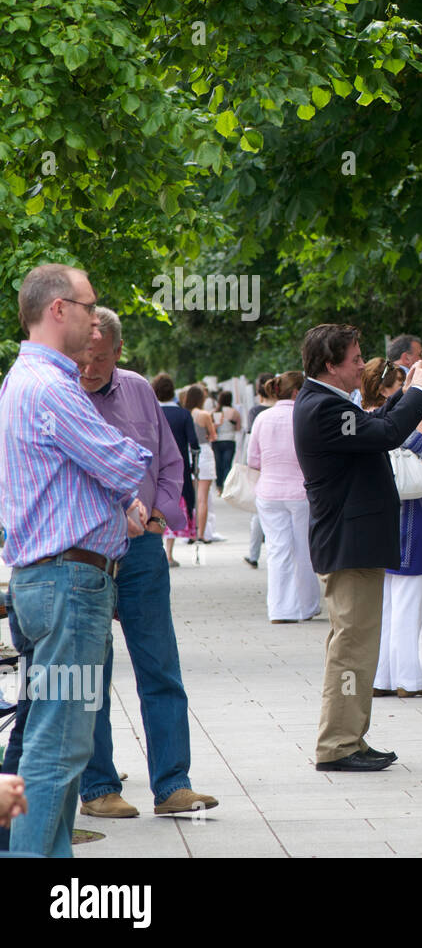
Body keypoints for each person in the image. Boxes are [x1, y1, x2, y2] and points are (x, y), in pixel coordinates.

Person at [0, 263, 151, 857]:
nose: (96, 320)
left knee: (58, 737)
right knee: (58, 741)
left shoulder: (23, 381)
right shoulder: (51, 387)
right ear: (58, 308)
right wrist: (128, 483)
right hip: (70, 585)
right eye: (89, 307)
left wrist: (121, 500)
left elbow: (95, 473)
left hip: (54, 583)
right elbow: (119, 461)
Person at [72, 307, 219, 819]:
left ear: (118, 352)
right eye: (83, 359)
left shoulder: (136, 390)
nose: (90, 370)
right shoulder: (59, 391)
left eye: (100, 360)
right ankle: (98, 789)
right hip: (83, 550)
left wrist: (160, 515)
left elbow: (170, 459)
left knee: (160, 664)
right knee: (92, 671)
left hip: (141, 550)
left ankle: (173, 784)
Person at [292, 324, 422, 772]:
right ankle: (338, 745)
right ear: (331, 365)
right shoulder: (323, 408)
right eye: (355, 358)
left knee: (358, 645)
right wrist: (420, 392)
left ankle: (351, 737)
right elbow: (388, 433)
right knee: (352, 648)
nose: (362, 364)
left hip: (355, 542)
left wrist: (405, 391)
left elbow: (377, 424)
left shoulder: (330, 402)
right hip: (348, 544)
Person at [362, 359, 422, 698]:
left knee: (385, 605)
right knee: (410, 603)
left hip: (377, 517)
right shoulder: (399, 424)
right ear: (391, 389)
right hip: (411, 515)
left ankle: (382, 677)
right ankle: (410, 678)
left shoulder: (358, 418)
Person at [247, 371, 320, 624]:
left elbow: (252, 460)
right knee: (304, 549)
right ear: (298, 392)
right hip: (300, 492)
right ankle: (307, 605)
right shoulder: (306, 418)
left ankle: (280, 609)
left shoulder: (262, 418)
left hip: (268, 492)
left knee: (278, 551)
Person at [155, 374, 199, 565]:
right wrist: (193, 468)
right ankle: (170, 553)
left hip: (154, 469)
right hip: (178, 470)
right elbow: (194, 444)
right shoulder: (183, 414)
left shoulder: (150, 412)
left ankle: (156, 548)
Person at [244, 372, 276, 568]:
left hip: (264, 467)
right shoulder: (292, 410)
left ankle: (253, 554)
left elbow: (250, 443)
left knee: (258, 513)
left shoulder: (256, 412)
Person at [185, 384, 218, 542]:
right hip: (204, 453)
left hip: (189, 453)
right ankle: (201, 534)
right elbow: (212, 436)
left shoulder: (185, 414)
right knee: (203, 498)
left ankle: (190, 531)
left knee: (191, 497)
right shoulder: (204, 415)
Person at [211, 390, 242, 492]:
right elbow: (238, 428)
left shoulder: (215, 412)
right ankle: (226, 485)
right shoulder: (234, 412)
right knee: (227, 464)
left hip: (217, 440)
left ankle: (219, 486)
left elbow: (211, 428)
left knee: (218, 464)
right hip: (229, 440)